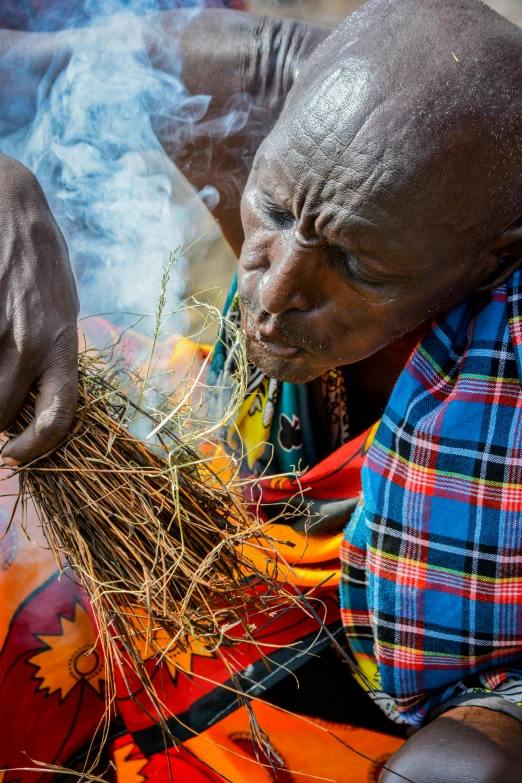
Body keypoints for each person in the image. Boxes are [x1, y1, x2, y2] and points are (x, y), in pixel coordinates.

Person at [0, 0, 522, 780]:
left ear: (489, 260)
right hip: (208, 496)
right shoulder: (269, 88)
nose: (275, 292)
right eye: (272, 210)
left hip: (410, 683)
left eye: (357, 267)